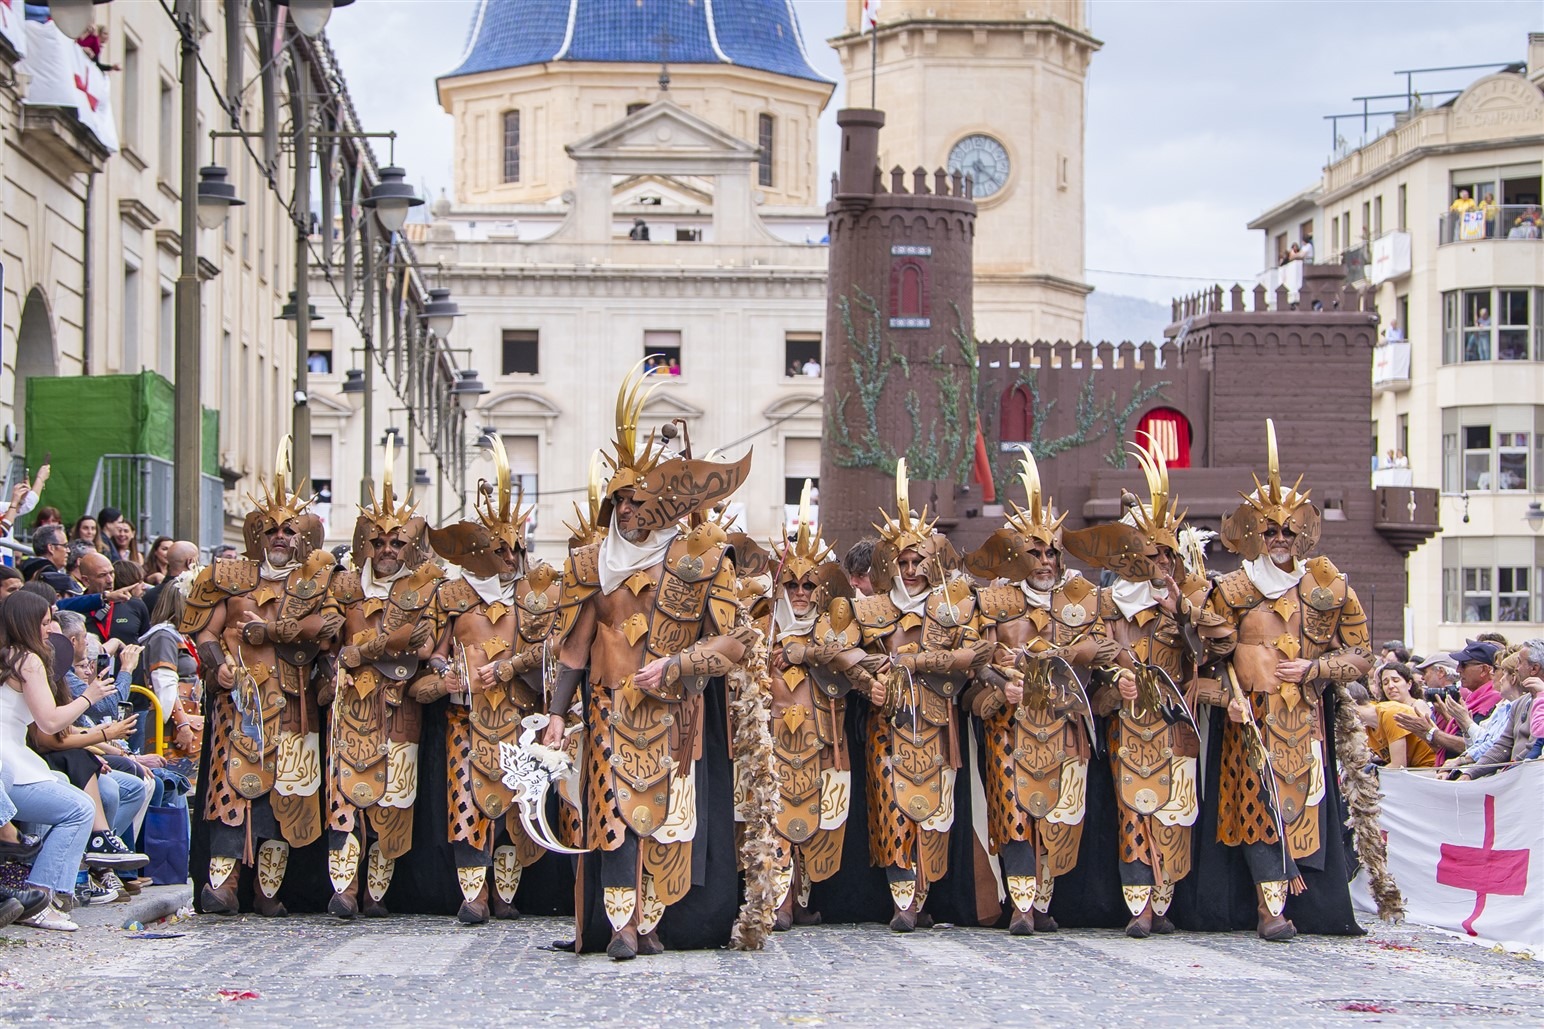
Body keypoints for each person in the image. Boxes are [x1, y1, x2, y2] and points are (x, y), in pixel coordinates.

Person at [542, 365, 757, 959]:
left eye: (638, 501)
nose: (627, 510)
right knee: (612, 813)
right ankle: (620, 925)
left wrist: (681, 665)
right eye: (619, 501)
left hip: (675, 715)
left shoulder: (701, 560)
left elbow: (736, 641)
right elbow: (574, 649)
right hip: (608, 711)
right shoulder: (590, 566)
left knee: (667, 820)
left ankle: (657, 921)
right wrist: (558, 715)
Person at [1205, 420, 1379, 941]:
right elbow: (1209, 658)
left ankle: (1304, 902)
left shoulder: (1327, 584)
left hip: (1304, 718)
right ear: (1256, 534)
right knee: (1257, 806)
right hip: (1249, 716)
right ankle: (1268, 908)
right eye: (1270, 531)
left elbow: (1362, 655)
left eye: (1287, 531)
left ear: (1300, 533)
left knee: (1301, 806)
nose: (1279, 539)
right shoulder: (1233, 588)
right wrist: (1218, 671)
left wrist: (1315, 668)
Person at [1062, 440, 1234, 938]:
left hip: (1176, 722)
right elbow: (1082, 648)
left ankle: (1163, 901)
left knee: (1175, 810)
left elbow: (1220, 646)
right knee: (1132, 807)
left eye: (1166, 553)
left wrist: (1182, 609)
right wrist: (1117, 671)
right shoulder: (1107, 601)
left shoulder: (1190, 598)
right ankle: (1136, 903)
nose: (1159, 561)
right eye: (1150, 554)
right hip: (1127, 722)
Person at [180, 440, 342, 916]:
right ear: (258, 533)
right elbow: (202, 630)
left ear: (300, 537)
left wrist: (274, 631)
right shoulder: (229, 575)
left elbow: (326, 633)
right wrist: (217, 663)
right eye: (270, 529)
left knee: (285, 794)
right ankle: (222, 885)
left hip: (293, 700)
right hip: (241, 702)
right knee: (230, 789)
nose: (279, 537)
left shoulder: (320, 581)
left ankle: (268, 890)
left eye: (288, 530)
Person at [965, 451, 1113, 935]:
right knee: (1013, 810)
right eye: (1036, 553)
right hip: (1009, 725)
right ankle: (1022, 905)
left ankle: (1042, 900)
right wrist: (996, 680)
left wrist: (1079, 657)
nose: (1046, 561)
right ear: (1018, 555)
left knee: (1057, 813)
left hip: (1064, 723)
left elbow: (1108, 650)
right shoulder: (992, 601)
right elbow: (972, 660)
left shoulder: (1083, 598)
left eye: (1052, 552)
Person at [853, 460, 991, 934]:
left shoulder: (953, 606)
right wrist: (864, 680)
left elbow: (976, 653)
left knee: (933, 810)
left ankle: (923, 895)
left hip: (937, 723)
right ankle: (901, 902)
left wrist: (918, 662)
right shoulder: (869, 609)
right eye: (903, 563)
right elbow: (847, 654)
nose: (910, 570)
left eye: (918, 562)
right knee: (891, 808)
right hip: (886, 726)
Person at [325, 453, 445, 920]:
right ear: (368, 545)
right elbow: (330, 637)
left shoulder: (426, 590)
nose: (388, 549)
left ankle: (376, 891)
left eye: (396, 541)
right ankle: (345, 889)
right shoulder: (344, 585)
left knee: (393, 798)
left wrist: (365, 649)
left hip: (399, 707)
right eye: (380, 541)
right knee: (346, 794)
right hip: (350, 705)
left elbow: (421, 645)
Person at [763, 483, 884, 931]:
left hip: (823, 737)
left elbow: (849, 659)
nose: (799, 592)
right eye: (791, 584)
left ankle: (799, 899)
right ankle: (779, 903)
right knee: (773, 816)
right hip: (771, 740)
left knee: (813, 819)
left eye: (808, 584)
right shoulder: (760, 625)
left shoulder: (836, 623)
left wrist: (805, 652)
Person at [0, 590, 124, 930]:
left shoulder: (5, 656)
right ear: (26, 624)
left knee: (69, 796)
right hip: (9, 763)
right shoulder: (27, 659)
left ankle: (39, 891)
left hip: (12, 761)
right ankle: (43, 896)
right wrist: (90, 696)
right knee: (79, 808)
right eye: (43, 623)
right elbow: (50, 722)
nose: (48, 630)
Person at [1458, 643, 1541, 778]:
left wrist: (1509, 772)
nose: (1517, 669)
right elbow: (1502, 745)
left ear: (1534, 669)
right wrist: (1469, 774)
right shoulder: (1519, 704)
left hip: (1530, 781)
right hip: (1516, 778)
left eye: (1519, 663)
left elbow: (1535, 748)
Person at [1364, 662, 1435, 769]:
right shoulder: (1382, 710)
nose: (1391, 686)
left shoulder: (1417, 706)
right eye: (1385, 683)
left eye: (1396, 680)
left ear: (1409, 684)